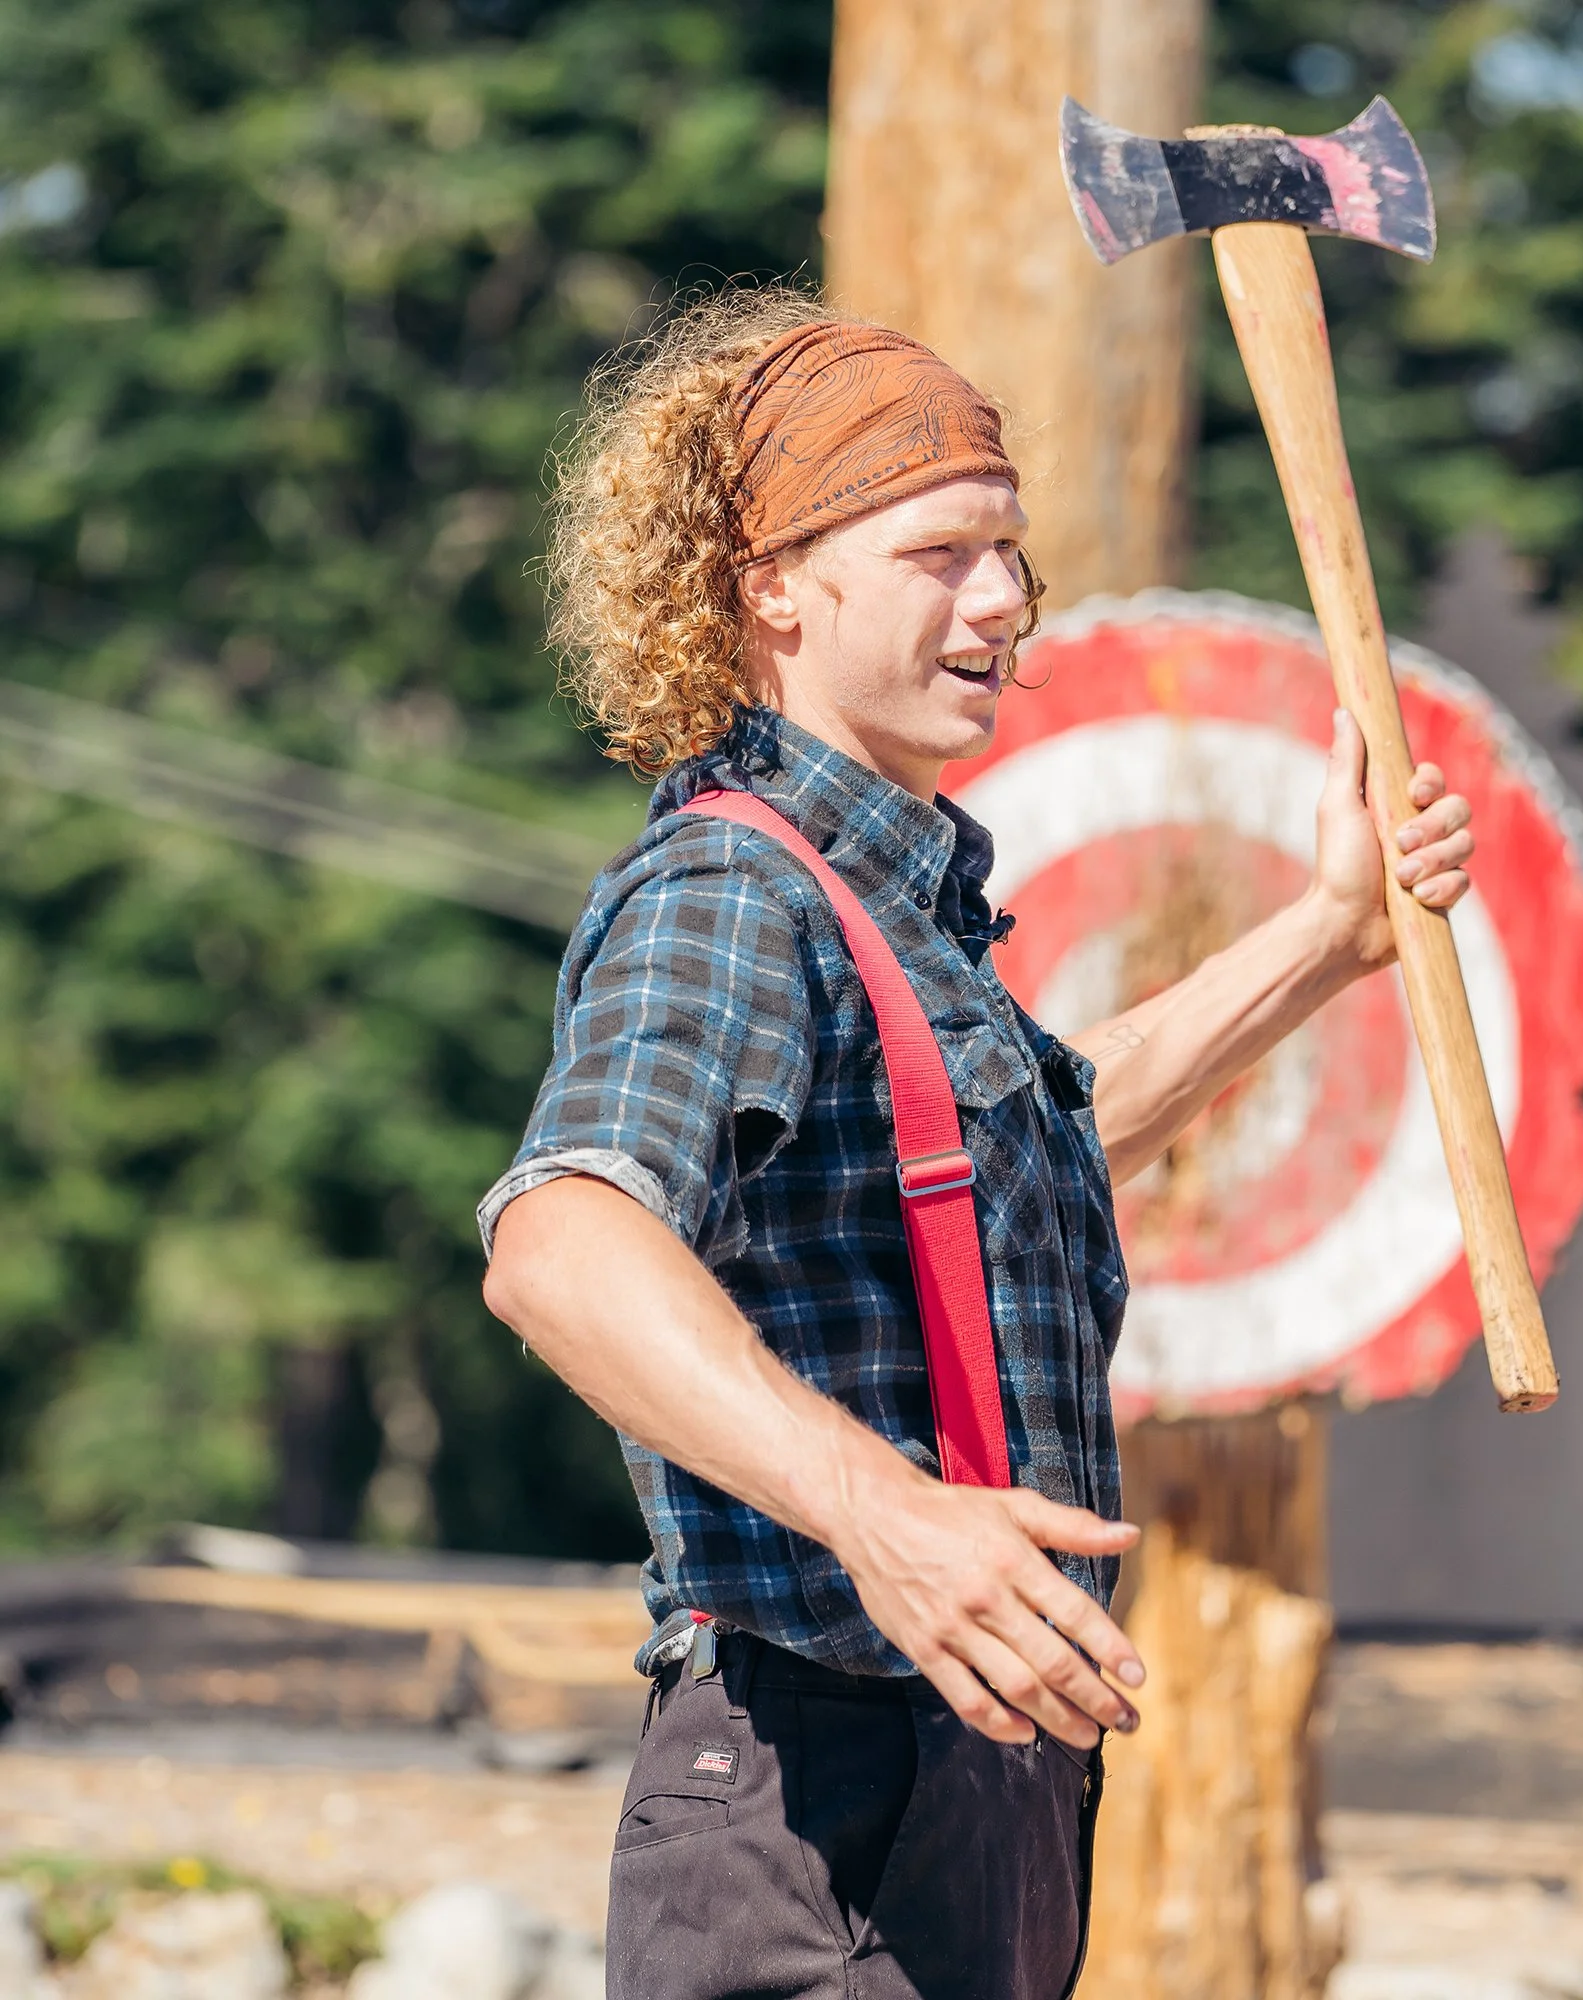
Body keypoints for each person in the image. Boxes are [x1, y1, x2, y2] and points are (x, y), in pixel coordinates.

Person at [479, 288, 1474, 2000]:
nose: (1006, 601)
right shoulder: (737, 887)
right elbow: (559, 1239)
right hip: (810, 1796)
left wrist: (1329, 937)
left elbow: (1044, 1152)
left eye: (1011, 553)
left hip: (965, 1788)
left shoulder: (898, 903)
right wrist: (894, 1519)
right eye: (943, 552)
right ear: (767, 582)